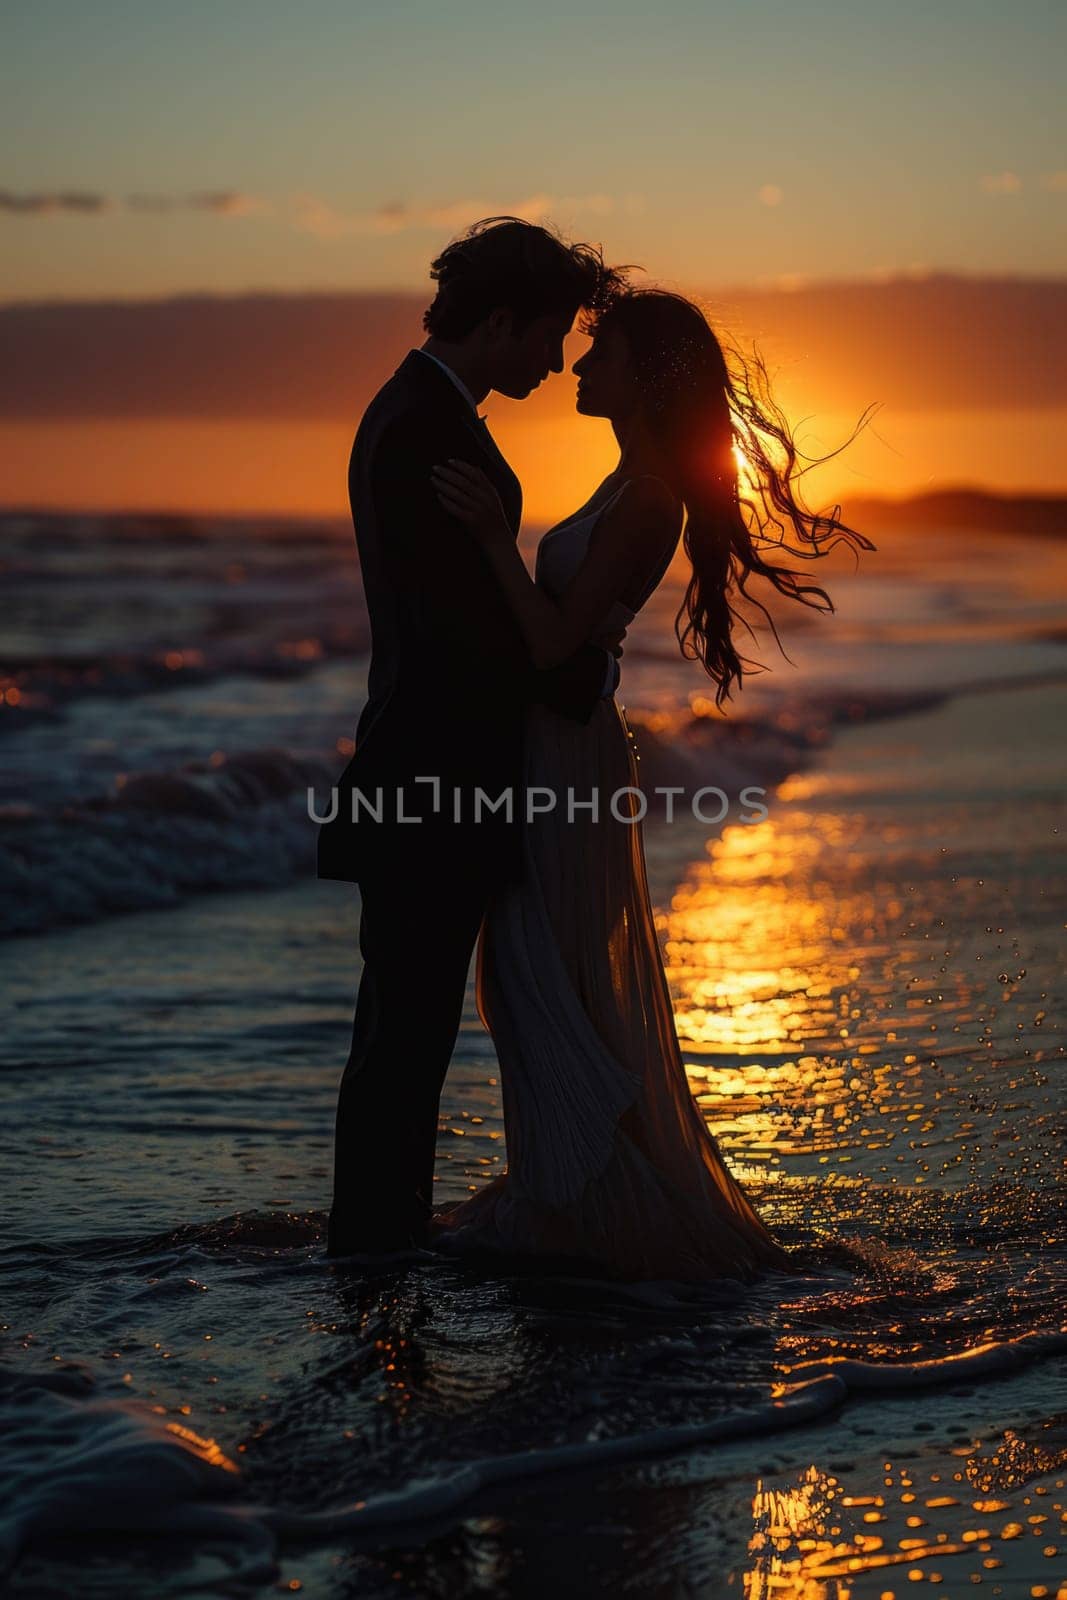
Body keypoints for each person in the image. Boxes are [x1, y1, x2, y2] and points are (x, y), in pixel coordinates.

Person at [429, 286, 874, 1282]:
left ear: (646, 375)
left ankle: (583, 1207)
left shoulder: (647, 499)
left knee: (542, 977)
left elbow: (551, 640)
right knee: (532, 976)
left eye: (602, 357)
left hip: (566, 754)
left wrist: (487, 543)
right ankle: (570, 1191)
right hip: (554, 749)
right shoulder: (625, 477)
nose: (580, 371)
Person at [317, 218, 625, 1259]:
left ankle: (376, 1255)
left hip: (439, 774)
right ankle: (371, 1262)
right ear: (498, 321)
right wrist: (577, 670)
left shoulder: (425, 415)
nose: (555, 359)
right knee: (403, 1041)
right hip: (432, 780)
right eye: (547, 336)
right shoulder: (421, 430)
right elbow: (458, 634)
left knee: (405, 1036)